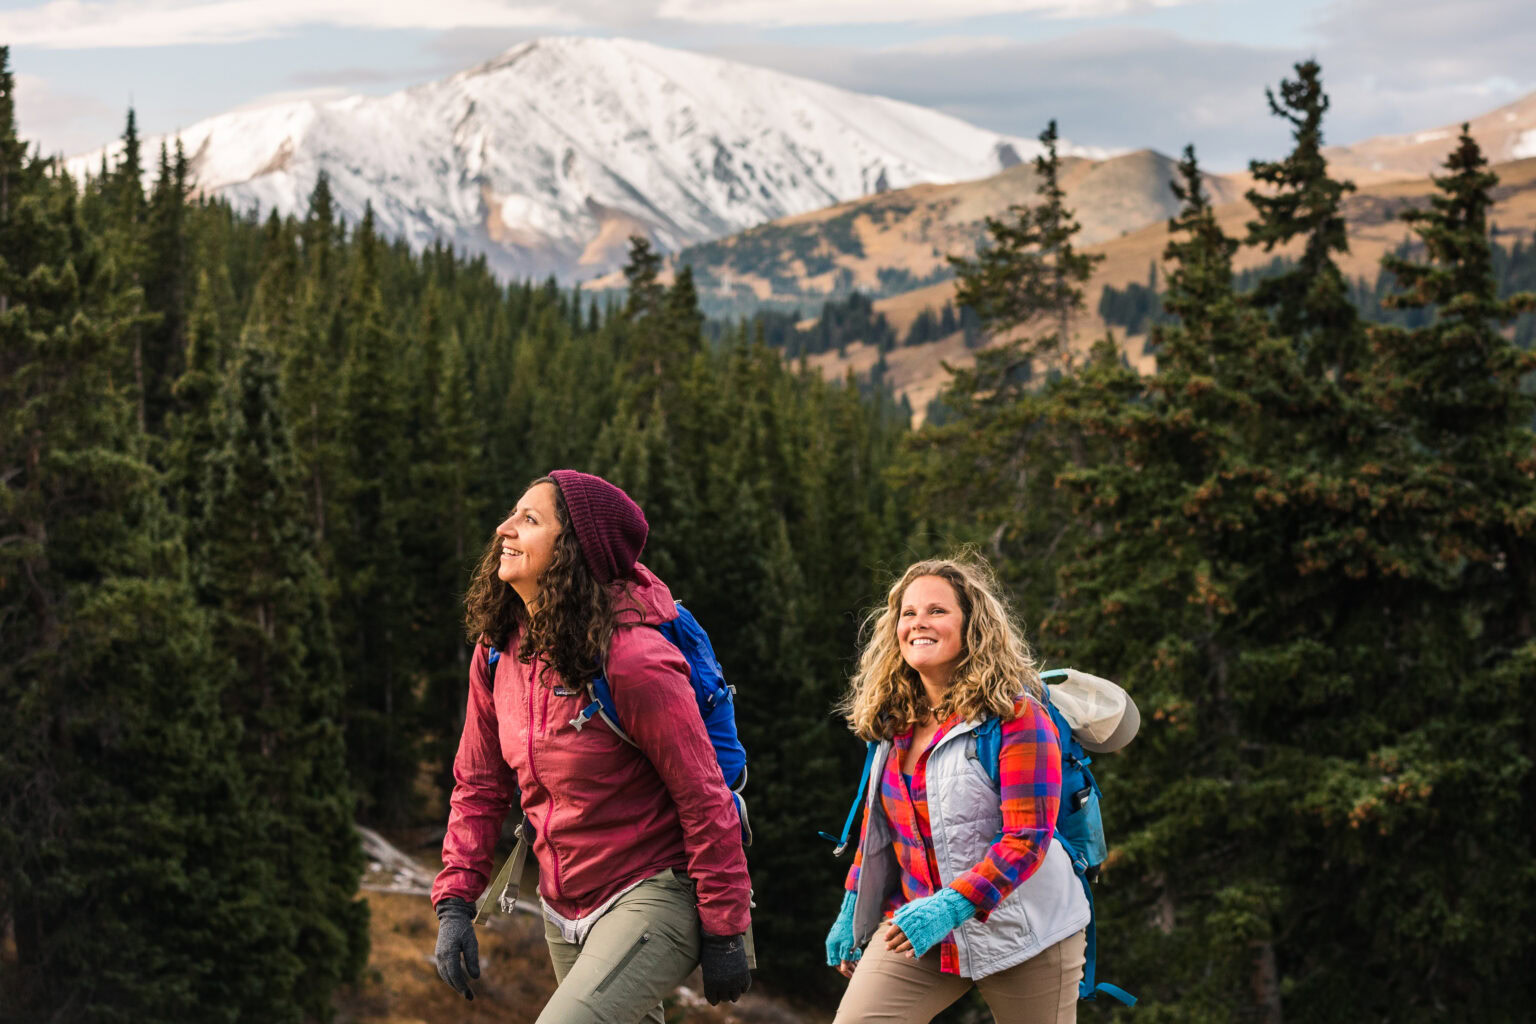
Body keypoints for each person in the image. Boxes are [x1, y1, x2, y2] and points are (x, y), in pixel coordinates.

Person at [431, 470, 753, 1021]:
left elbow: (704, 797)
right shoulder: (498, 654)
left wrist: (725, 928)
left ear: (572, 550)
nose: (505, 529)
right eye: (513, 513)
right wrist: (457, 903)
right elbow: (479, 786)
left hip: (655, 892)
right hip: (562, 905)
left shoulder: (634, 660)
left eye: (529, 520)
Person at [823, 556, 1090, 1024]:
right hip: (921, 930)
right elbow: (881, 829)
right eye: (908, 613)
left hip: (1024, 934)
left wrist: (952, 905)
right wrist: (852, 906)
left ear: (973, 626)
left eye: (937, 611)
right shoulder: (894, 721)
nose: (918, 623)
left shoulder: (1016, 718)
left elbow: (1028, 838)